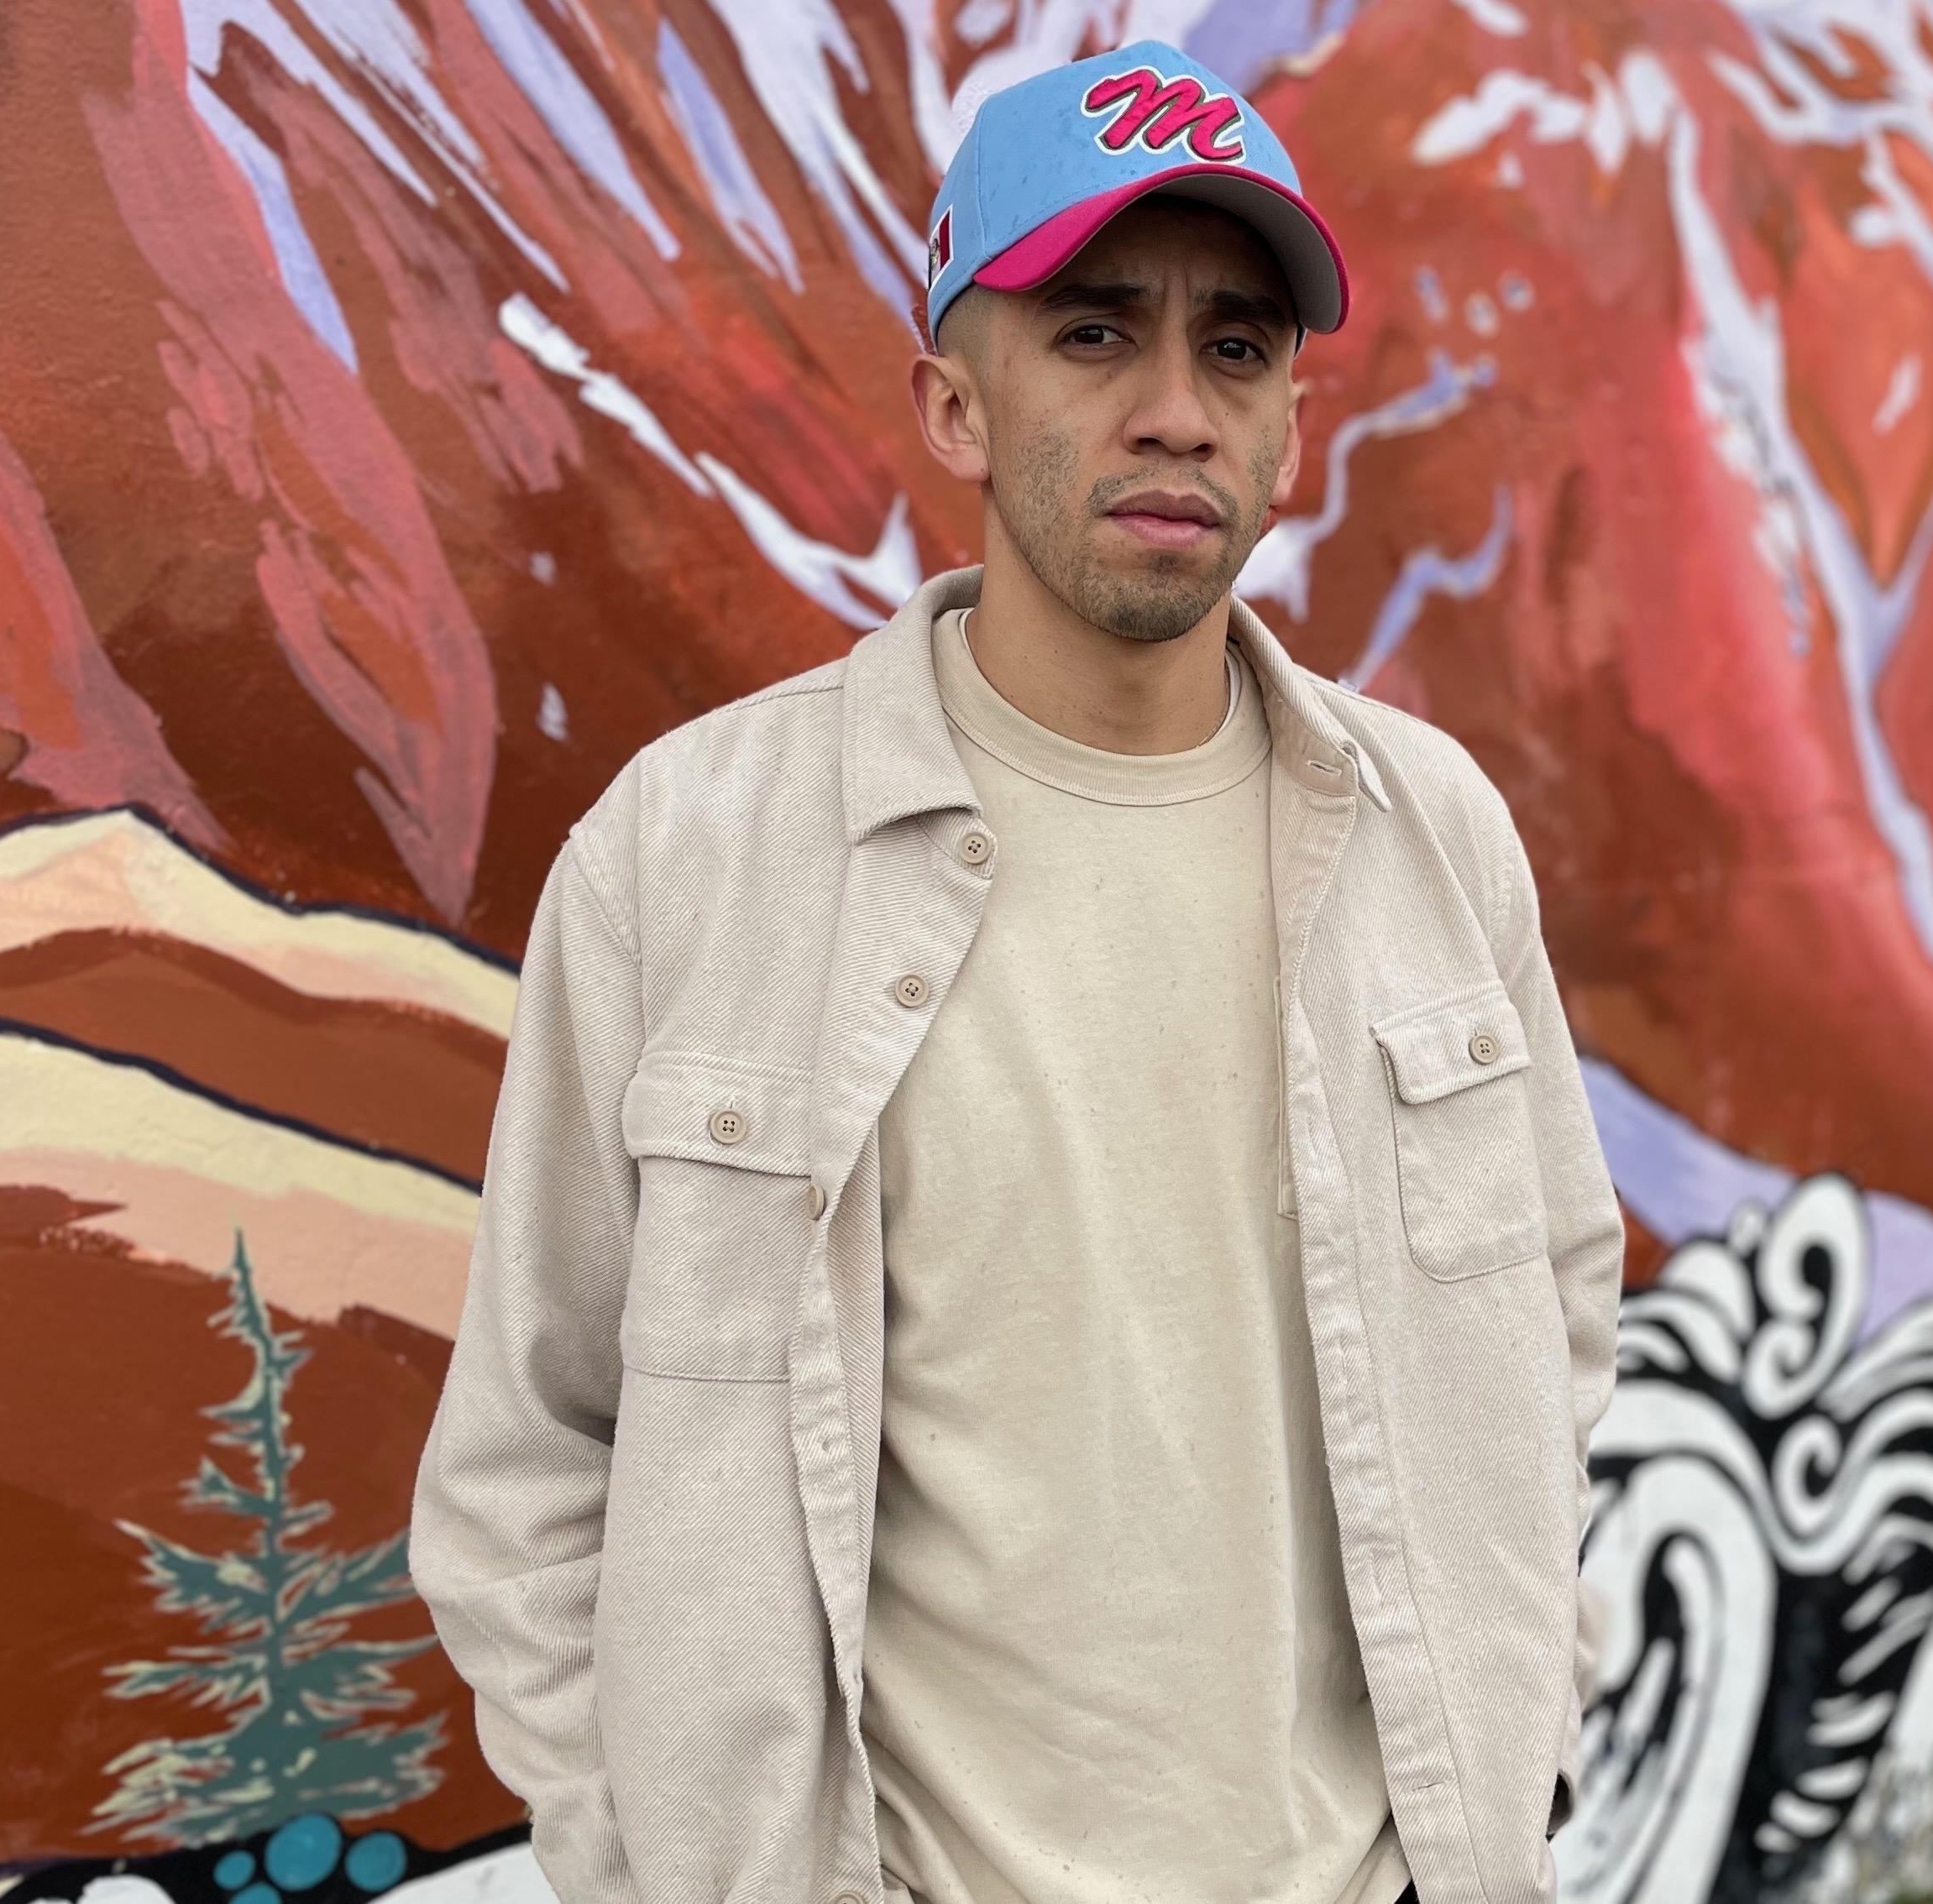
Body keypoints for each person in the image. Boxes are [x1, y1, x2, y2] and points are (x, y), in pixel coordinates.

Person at [411, 40, 1621, 1904]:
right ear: (954, 406)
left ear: (1293, 423)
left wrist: (1517, 1727)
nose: (1174, 409)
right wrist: (665, 1860)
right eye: (1091, 332)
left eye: (1235, 348)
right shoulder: (691, 860)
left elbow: (1548, 1313)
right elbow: (527, 1466)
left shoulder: (1427, 836)